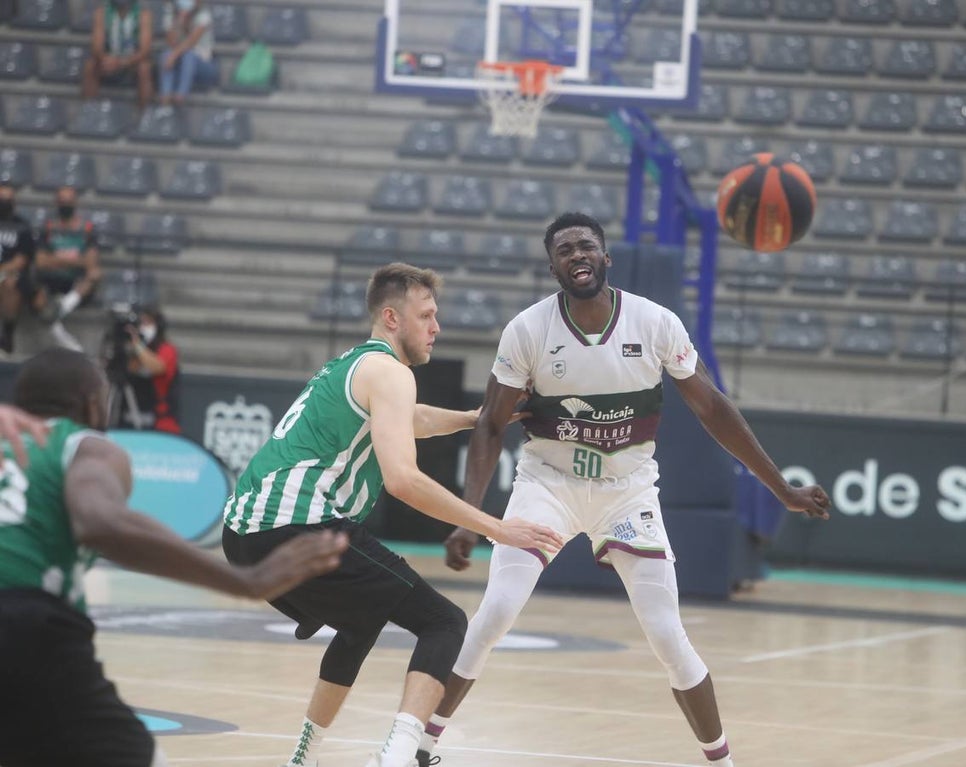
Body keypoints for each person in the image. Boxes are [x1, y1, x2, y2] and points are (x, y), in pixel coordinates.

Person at [421, 212, 832, 767]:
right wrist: (470, 517)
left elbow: (712, 407)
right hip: (549, 484)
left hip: (627, 490)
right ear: (553, 267)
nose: (576, 255)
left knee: (666, 634)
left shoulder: (655, 322)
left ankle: (723, 762)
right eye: (564, 250)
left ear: (605, 257)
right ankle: (419, 746)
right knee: (494, 613)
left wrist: (780, 487)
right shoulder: (527, 330)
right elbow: (492, 424)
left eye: (585, 246)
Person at [220, 262, 564, 767]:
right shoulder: (391, 373)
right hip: (299, 524)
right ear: (390, 317)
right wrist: (494, 528)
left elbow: (414, 418)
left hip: (243, 534)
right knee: (445, 623)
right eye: (426, 315)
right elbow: (402, 480)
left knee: (361, 623)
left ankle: (304, 755)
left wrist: (474, 419)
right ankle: (399, 755)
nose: (436, 327)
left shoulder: (355, 365)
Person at [0, 348, 351, 767]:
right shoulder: (84, 445)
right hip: (29, 626)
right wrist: (244, 581)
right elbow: (100, 521)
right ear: (93, 402)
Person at [35, 186, 102, 351]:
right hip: (51, 278)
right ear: (57, 202)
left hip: (76, 281)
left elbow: (90, 263)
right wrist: (73, 259)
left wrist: (57, 259)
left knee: (95, 274)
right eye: (62, 201)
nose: (66, 204)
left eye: (69, 201)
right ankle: (61, 331)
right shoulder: (49, 227)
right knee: (34, 287)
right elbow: (40, 261)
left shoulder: (87, 228)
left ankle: (62, 306)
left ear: (75, 202)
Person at [113, 305, 181, 433]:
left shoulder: (167, 349)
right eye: (141, 323)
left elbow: (157, 367)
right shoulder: (134, 352)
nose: (143, 327)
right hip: (131, 413)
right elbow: (129, 370)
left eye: (147, 322)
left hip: (159, 420)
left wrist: (138, 346)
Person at [82, 0, 154, 109]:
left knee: (145, 68)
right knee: (90, 66)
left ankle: (144, 113)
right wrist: (105, 59)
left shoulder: (143, 15)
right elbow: (97, 46)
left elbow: (145, 50)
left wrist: (121, 62)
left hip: (132, 62)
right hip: (109, 60)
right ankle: (89, 110)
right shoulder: (101, 13)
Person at [0, 183, 38, 355]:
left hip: (11, 273)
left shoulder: (22, 226)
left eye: (7, 200)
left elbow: (22, 259)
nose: (4, 203)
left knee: (10, 281)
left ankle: (7, 333)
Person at [159, 0, 217, 108]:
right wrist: (179, 21)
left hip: (204, 66)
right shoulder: (171, 15)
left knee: (188, 55)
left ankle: (180, 96)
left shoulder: (204, 15)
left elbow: (191, 42)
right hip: (180, 66)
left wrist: (174, 55)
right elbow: (171, 42)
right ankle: (165, 96)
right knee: (166, 54)